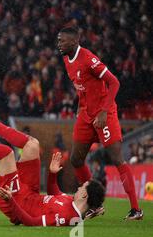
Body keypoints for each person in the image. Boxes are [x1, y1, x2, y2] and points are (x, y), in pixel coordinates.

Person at [0, 96, 106, 226]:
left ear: (84, 196)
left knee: (6, 152)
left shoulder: (65, 216)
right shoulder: (71, 203)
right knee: (32, 144)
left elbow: (30, 222)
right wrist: (52, 173)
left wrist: (11, 201)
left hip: (16, 200)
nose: (79, 186)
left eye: (83, 186)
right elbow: (53, 192)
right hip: (30, 192)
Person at [57, 27, 143, 220]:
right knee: (76, 160)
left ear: (73, 42)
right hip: (86, 114)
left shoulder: (88, 59)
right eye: (58, 40)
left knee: (116, 158)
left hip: (105, 114)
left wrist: (104, 111)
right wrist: (81, 104)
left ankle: (136, 209)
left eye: (62, 41)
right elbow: (83, 86)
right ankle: (95, 205)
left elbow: (114, 83)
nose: (59, 44)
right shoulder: (66, 60)